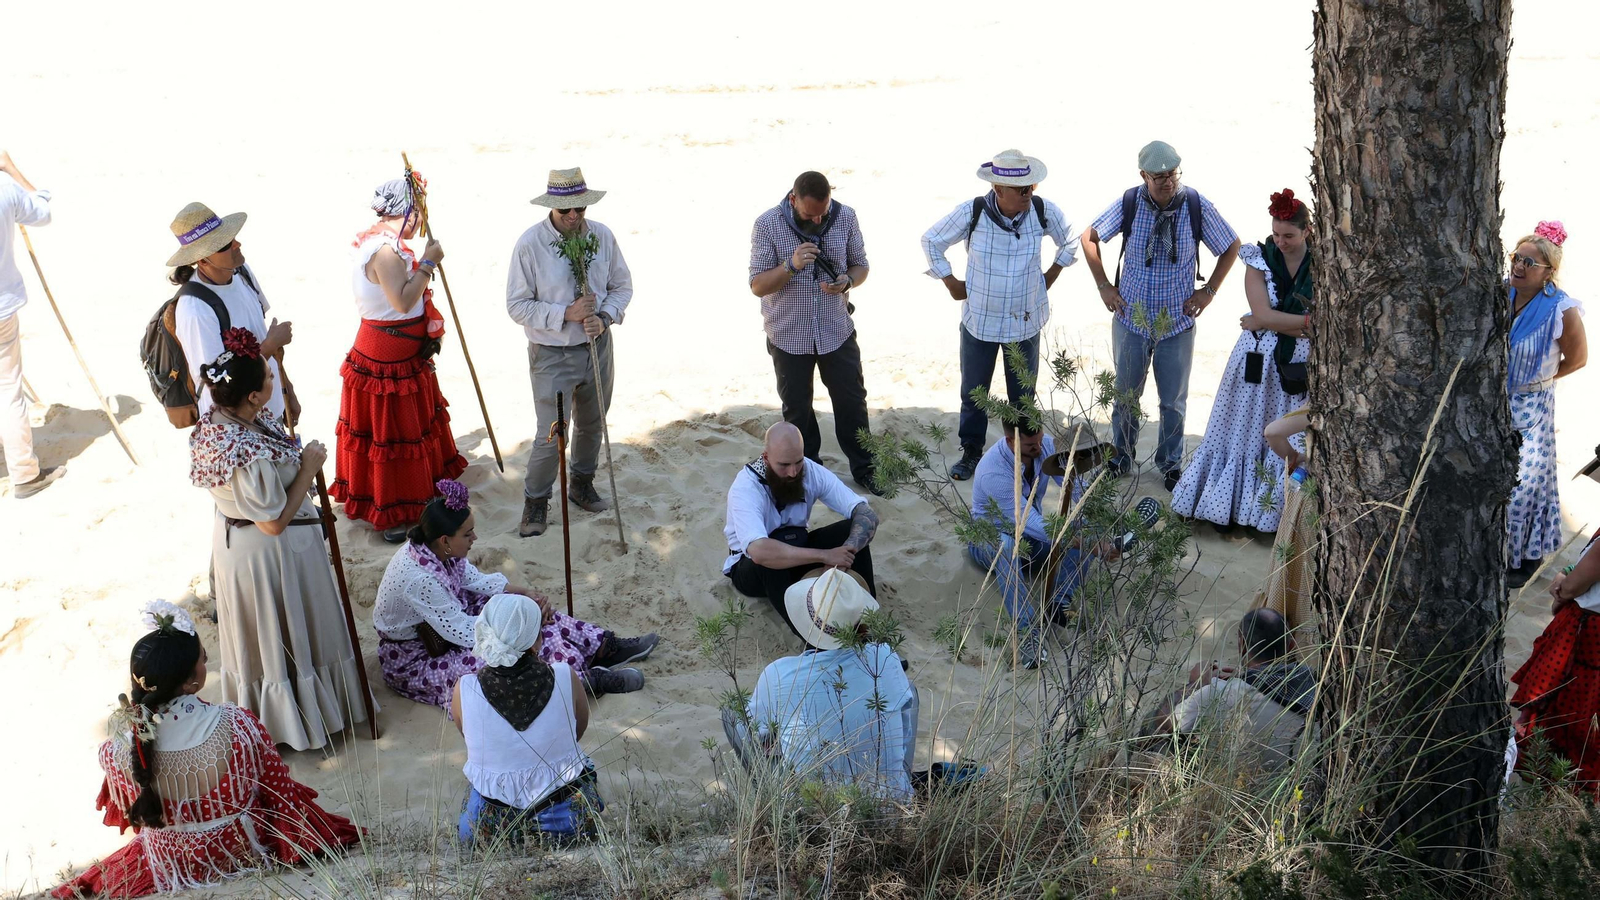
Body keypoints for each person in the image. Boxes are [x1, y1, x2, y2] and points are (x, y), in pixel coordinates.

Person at [51, 602, 359, 898]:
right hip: (239, 853)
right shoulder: (238, 725)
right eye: (202, 657)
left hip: (169, 864)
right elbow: (280, 796)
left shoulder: (114, 752)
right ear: (188, 682)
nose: (206, 662)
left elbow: (135, 817)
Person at [188, 332, 370, 750]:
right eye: (269, 377)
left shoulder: (223, 419)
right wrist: (309, 467)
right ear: (252, 396)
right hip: (268, 555)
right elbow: (271, 522)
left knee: (279, 635)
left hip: (246, 548)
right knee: (278, 636)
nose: (274, 381)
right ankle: (295, 723)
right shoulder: (243, 449)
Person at [374, 479, 657, 702]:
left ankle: (601, 646)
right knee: (513, 647)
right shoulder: (419, 579)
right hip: (420, 656)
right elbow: (460, 631)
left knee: (526, 614)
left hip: (447, 624)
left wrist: (522, 593)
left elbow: (471, 577)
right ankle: (581, 680)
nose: (475, 537)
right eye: (468, 533)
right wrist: (522, 616)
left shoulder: (434, 548)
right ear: (446, 540)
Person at [1080, 141, 1241, 491]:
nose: (1167, 182)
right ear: (1143, 176)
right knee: (1125, 397)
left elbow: (1231, 245)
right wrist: (1104, 285)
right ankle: (1120, 458)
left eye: (1172, 174)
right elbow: (1089, 237)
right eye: (1159, 176)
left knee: (1173, 403)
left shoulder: (1195, 205)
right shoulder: (1130, 203)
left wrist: (1209, 291)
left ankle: (1169, 465)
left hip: (1176, 326)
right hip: (1131, 321)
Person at [921, 149, 1082, 480]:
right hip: (980, 321)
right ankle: (971, 453)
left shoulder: (1042, 210)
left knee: (1022, 395)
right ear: (998, 189)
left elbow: (1071, 241)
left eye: (1030, 187)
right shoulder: (972, 212)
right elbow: (931, 240)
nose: (1028, 194)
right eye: (1021, 190)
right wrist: (950, 281)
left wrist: (1049, 277)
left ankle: (1022, 456)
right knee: (974, 391)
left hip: (1025, 323)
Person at [331, 174, 468, 543]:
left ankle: (416, 498)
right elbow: (403, 301)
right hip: (385, 360)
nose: (422, 219)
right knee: (391, 435)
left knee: (408, 430)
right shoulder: (386, 251)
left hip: (402, 355)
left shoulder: (386, 242)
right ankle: (394, 511)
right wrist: (428, 263)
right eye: (419, 211)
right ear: (407, 212)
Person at [1172, 189, 1312, 533]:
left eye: (1289, 236)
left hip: (1295, 365)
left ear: (1308, 230)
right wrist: (1308, 325)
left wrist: (1269, 322)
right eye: (1276, 234)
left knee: (1287, 429)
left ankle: (1272, 513)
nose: (1280, 241)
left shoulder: (1325, 261)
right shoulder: (1257, 257)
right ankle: (1228, 508)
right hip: (1256, 360)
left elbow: (1265, 319)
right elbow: (1262, 313)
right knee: (1243, 429)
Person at [506, 166, 633, 538]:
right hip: (552, 353)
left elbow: (621, 286)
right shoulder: (530, 244)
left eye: (580, 208)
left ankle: (581, 483)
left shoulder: (603, 236)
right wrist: (566, 314)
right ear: (552, 208)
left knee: (594, 422)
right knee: (553, 432)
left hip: (597, 346)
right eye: (567, 211)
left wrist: (606, 317)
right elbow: (517, 305)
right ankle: (536, 500)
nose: (575, 217)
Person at [724, 568, 918, 799]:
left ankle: (769, 799)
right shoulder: (885, 656)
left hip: (814, 812)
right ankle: (898, 777)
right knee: (909, 693)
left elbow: (760, 732)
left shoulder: (778, 673)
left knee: (733, 714)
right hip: (890, 804)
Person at [967, 417, 1135, 669]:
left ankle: (1059, 601)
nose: (1038, 447)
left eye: (1039, 439)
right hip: (991, 541)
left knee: (1086, 523)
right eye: (1030, 445)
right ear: (1011, 441)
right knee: (1005, 545)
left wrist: (1100, 529)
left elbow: (1077, 489)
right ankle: (1027, 633)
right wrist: (1090, 545)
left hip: (1033, 541)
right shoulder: (993, 472)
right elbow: (1032, 523)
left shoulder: (1044, 444)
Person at [748, 171, 876, 491]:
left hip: (836, 330)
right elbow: (757, 285)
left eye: (823, 212)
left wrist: (848, 280)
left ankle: (866, 469)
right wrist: (790, 266)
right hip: (789, 335)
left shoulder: (845, 217)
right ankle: (809, 472)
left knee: (852, 402)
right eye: (809, 215)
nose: (818, 220)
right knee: (798, 411)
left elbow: (861, 266)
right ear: (793, 200)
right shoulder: (767, 224)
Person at [453, 593, 604, 848]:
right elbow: (576, 732)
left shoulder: (465, 687)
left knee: (477, 794)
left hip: (487, 830)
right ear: (536, 641)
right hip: (568, 821)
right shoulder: (565, 676)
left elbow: (469, 737)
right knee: (583, 764)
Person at [723, 421, 880, 637]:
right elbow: (759, 551)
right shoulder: (746, 487)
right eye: (784, 465)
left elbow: (866, 513)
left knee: (849, 530)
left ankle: (865, 621)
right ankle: (813, 639)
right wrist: (825, 555)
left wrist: (846, 553)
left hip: (799, 549)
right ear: (766, 458)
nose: (793, 472)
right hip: (751, 568)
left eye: (798, 462)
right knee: (770, 562)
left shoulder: (809, 470)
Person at [164, 201, 297, 426]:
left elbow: (261, 334)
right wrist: (270, 345)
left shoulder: (242, 272)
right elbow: (217, 379)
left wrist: (287, 393)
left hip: (269, 413)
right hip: (236, 429)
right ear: (202, 260)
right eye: (225, 244)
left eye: (232, 237)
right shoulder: (195, 310)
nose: (237, 244)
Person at [1505, 221, 1586, 588]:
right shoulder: (1501, 295)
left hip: (1533, 405)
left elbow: (1578, 359)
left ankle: (1525, 558)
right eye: (1517, 257)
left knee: (1525, 484)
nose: (1519, 266)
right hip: (1497, 402)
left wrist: (1541, 379)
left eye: (1530, 262)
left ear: (1549, 272)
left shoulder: (1561, 308)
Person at [1149, 608, 1316, 775]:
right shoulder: (1320, 687)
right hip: (1304, 795)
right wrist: (1249, 678)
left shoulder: (1217, 695)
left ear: (1241, 644)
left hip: (1242, 793)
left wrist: (1196, 684)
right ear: (1292, 645)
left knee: (1160, 733)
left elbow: (1162, 719)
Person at [1512, 531, 1600, 789]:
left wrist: (1564, 590)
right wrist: (1568, 574)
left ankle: (1549, 780)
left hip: (1588, 631)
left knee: (1563, 704)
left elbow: (1573, 586)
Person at [1, 150, 64, 499]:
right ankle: (24, 473)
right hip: (0, 309)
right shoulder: (4, 188)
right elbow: (43, 210)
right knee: (8, 389)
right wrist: (11, 168)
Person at [1257, 408, 1315, 638]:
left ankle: (1281, 633)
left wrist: (1295, 456)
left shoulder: (1323, 401)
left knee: (1296, 566)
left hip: (1311, 494)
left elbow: (1273, 432)